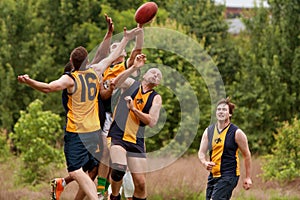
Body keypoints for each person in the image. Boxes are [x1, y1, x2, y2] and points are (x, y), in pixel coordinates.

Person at [17, 26, 142, 200]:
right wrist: (126, 39)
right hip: (94, 131)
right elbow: (112, 56)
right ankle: (97, 193)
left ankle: (96, 196)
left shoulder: (70, 79)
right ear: (87, 61)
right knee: (95, 166)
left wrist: (29, 81)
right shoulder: (95, 71)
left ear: (71, 61)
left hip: (77, 132)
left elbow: (48, 88)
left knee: (76, 170)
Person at [50, 14, 114, 200]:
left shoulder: (84, 75)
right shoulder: (74, 80)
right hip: (87, 128)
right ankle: (99, 193)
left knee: (91, 172)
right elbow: (100, 56)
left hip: (93, 124)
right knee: (101, 162)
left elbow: (100, 55)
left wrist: (109, 34)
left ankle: (62, 182)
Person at [97, 23, 144, 198]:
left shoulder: (126, 65)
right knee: (106, 153)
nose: (117, 47)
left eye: (119, 46)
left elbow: (138, 49)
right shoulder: (104, 71)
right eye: (113, 47)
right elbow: (102, 95)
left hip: (128, 118)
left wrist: (140, 31)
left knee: (124, 165)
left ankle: (116, 189)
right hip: (109, 116)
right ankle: (102, 189)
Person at [107, 65, 163, 200]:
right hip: (118, 135)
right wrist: (133, 67)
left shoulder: (156, 98)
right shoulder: (131, 84)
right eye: (153, 72)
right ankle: (114, 196)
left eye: (159, 75)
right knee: (119, 169)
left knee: (141, 183)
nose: (156, 75)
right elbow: (115, 82)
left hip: (136, 141)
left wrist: (134, 109)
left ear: (159, 83)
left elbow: (152, 121)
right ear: (144, 75)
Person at [198, 97, 252, 200]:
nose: (221, 112)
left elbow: (247, 155)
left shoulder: (237, 133)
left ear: (230, 114)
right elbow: (201, 152)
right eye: (219, 109)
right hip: (213, 175)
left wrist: (248, 177)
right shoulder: (208, 131)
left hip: (229, 175)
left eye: (224, 110)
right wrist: (204, 162)